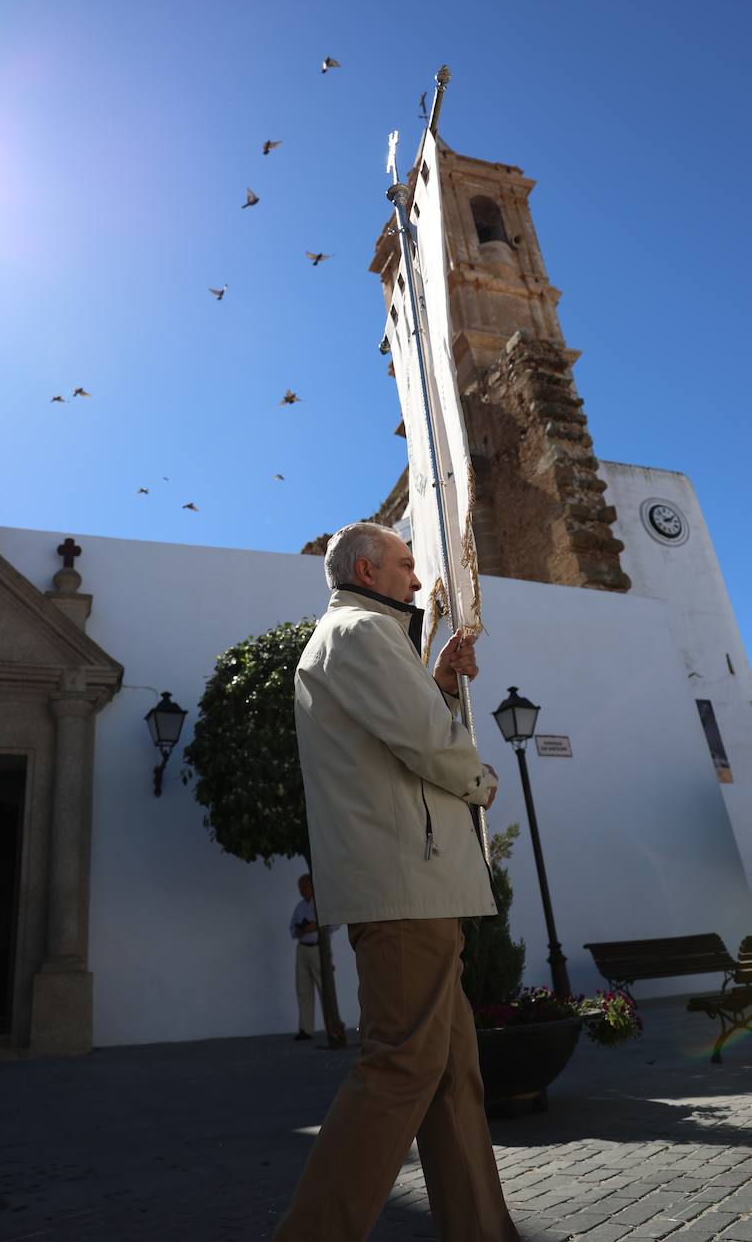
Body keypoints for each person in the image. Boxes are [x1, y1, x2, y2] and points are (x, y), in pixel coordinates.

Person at [274, 522, 518, 1242]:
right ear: (366, 571)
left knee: (451, 1075)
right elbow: (424, 741)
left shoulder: (366, 638)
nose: (417, 579)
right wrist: (481, 781)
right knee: (402, 1069)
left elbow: (399, 726)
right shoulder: (361, 633)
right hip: (405, 886)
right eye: (406, 565)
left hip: (417, 885)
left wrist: (436, 684)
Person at [289, 873, 324, 1040]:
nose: (301, 890)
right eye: (300, 888)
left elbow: (334, 925)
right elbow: (291, 928)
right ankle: (306, 1028)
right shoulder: (300, 907)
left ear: (312, 886)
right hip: (302, 948)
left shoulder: (321, 904)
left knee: (324, 988)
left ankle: (331, 1025)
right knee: (303, 989)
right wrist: (299, 930)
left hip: (318, 948)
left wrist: (315, 926)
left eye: (304, 887)